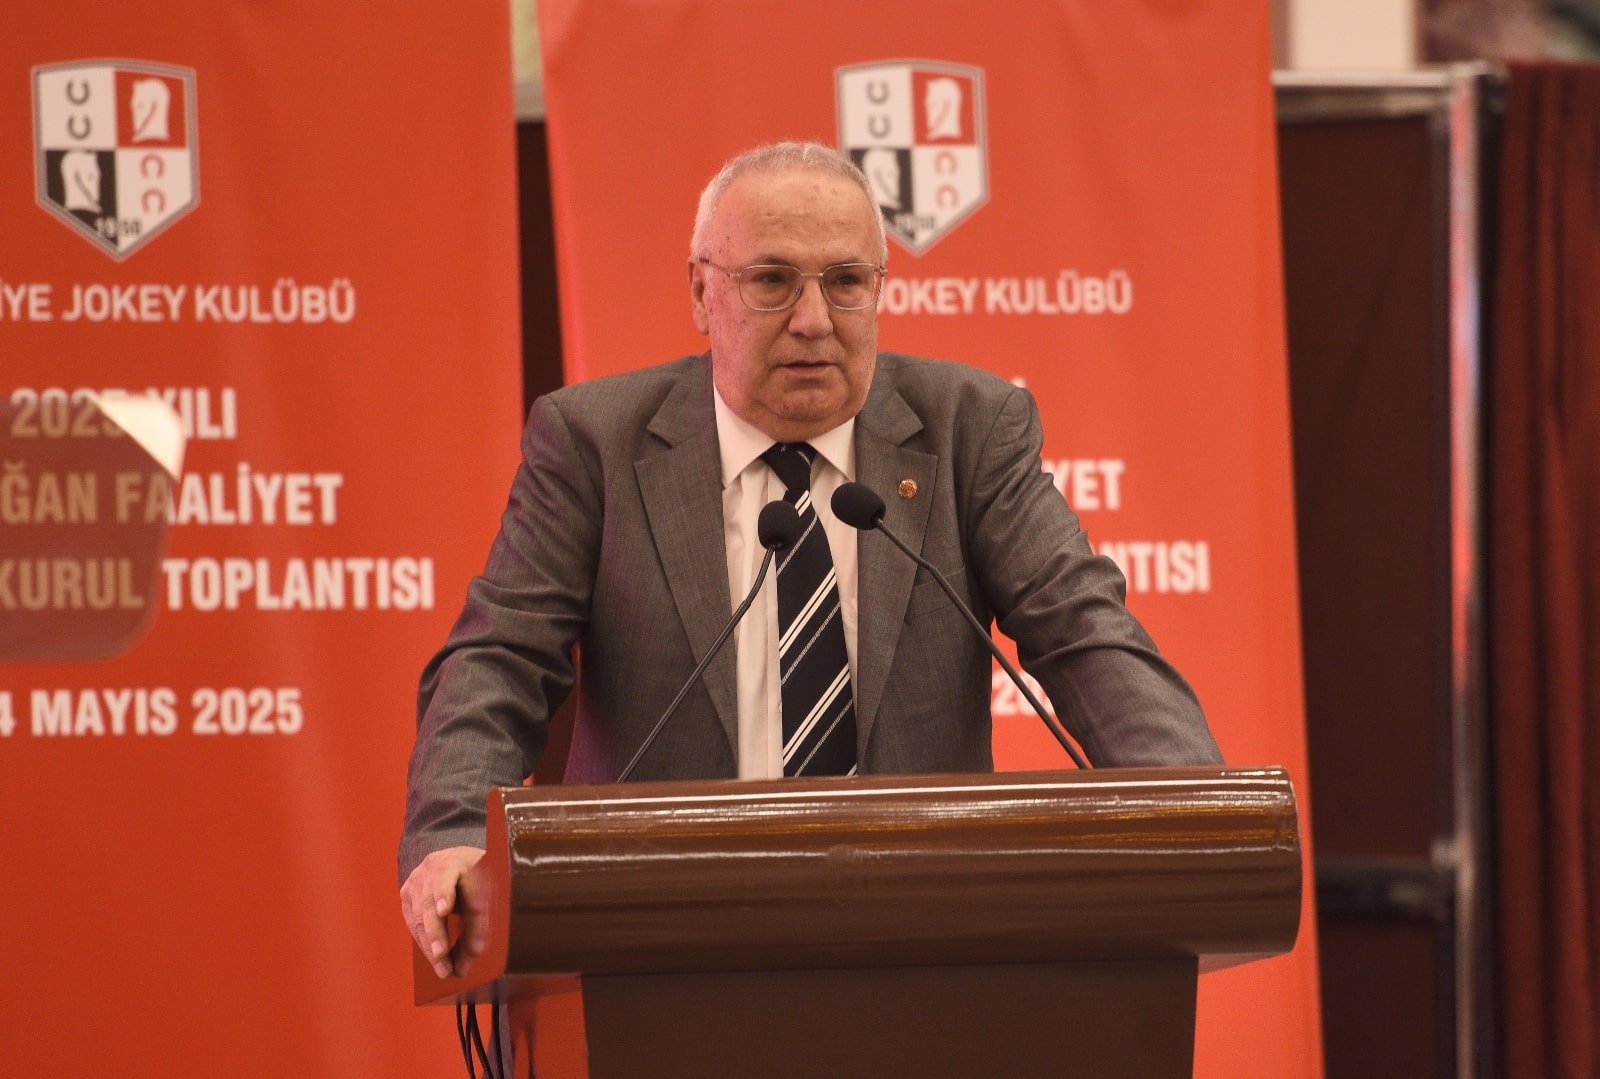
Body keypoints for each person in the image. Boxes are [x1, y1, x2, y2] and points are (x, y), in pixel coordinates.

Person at [399, 141, 1221, 979]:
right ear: (702, 292)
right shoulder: (595, 443)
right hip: (654, 957)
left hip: (923, 958)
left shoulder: (970, 429)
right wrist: (454, 835)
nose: (814, 320)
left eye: (846, 281)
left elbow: (1084, 630)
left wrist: (1198, 816)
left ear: (879, 290)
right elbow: (497, 658)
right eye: (773, 281)